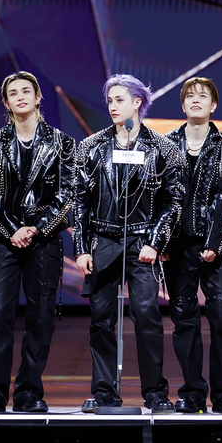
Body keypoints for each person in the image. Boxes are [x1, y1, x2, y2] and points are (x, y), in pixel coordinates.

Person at [73, 74, 185, 413]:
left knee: (148, 316)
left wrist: (155, 240)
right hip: (103, 239)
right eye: (109, 100)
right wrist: (81, 247)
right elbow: (79, 200)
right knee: (101, 319)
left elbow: (173, 200)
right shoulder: (91, 146)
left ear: (138, 102)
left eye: (119, 99)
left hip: (142, 244)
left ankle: (155, 392)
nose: (112, 106)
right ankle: (105, 391)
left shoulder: (163, 147)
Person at [0, 71, 77, 414]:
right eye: (13, 93)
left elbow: (67, 194)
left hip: (44, 240)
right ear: (5, 102)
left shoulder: (62, 143)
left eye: (26, 91)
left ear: (37, 98)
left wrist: (37, 228)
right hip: (6, 239)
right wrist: (13, 230)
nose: (20, 97)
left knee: (41, 317)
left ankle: (29, 390)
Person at [163, 77, 222, 413]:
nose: (195, 100)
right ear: (182, 105)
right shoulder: (165, 146)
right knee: (184, 320)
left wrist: (213, 242)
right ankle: (193, 391)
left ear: (214, 105)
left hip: (215, 244)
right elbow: (159, 198)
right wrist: (161, 240)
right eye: (190, 96)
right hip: (177, 247)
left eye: (203, 96)